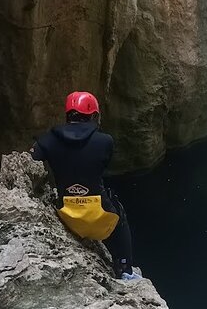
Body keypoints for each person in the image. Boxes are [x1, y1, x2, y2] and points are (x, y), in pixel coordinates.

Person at [30, 91, 139, 280]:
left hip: (68, 217)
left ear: (67, 115)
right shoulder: (105, 141)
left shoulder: (47, 141)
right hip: (100, 216)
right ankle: (125, 270)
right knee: (119, 215)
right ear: (93, 116)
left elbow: (31, 158)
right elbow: (101, 164)